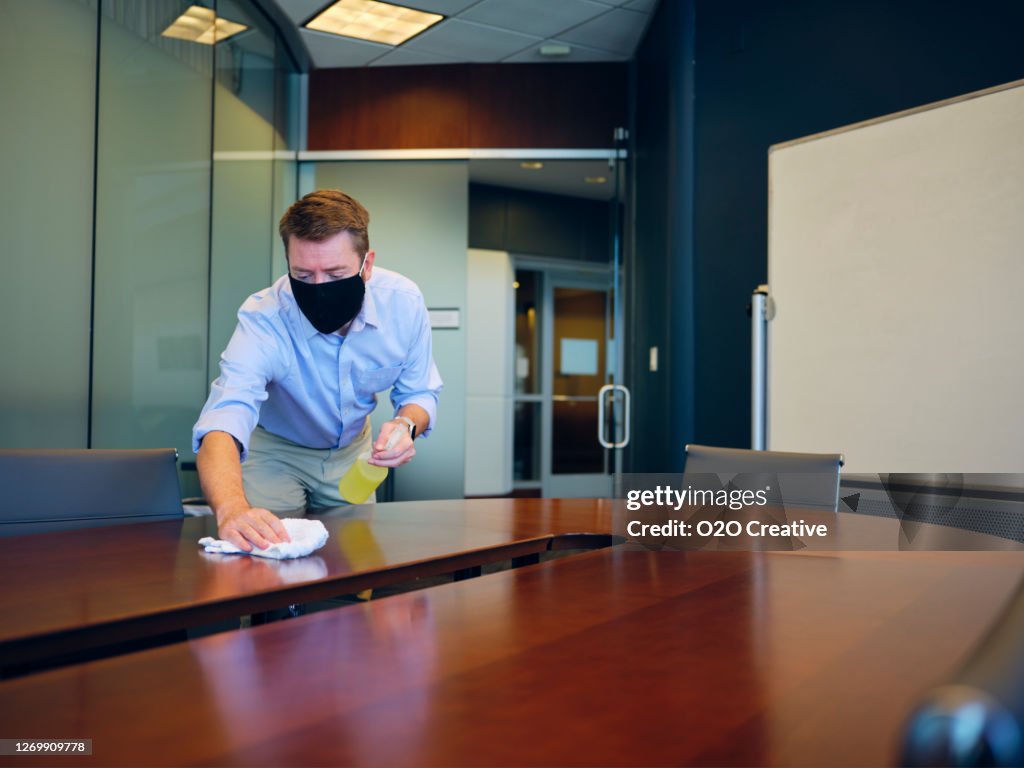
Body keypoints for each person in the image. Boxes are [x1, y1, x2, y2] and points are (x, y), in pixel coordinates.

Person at [193, 189, 442, 552]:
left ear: (366, 265)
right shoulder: (264, 317)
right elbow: (224, 417)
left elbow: (419, 392)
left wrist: (406, 426)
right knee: (266, 561)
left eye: (336, 272)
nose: (320, 287)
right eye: (304, 275)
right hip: (276, 451)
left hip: (354, 452)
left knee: (354, 566)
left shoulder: (403, 303)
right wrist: (232, 509)